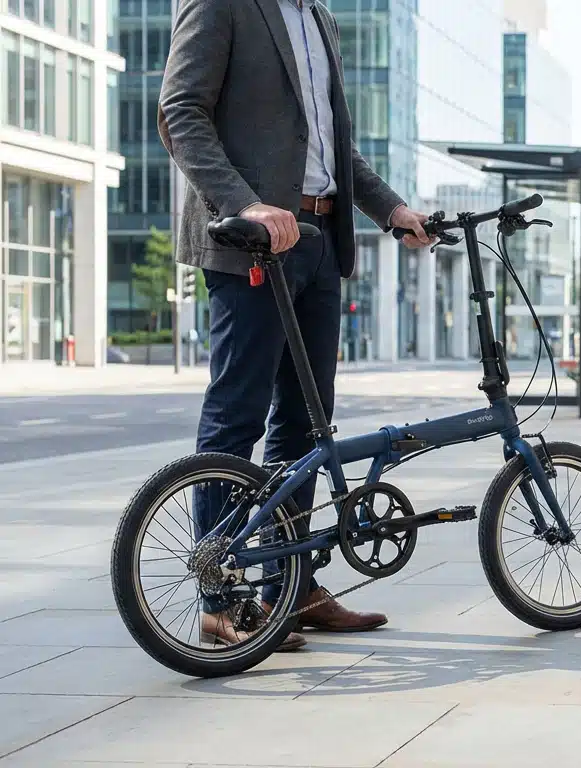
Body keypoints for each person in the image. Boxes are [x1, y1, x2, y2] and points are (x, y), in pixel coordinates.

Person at [159, 0, 435, 651]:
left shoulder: (320, 17)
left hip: (317, 240)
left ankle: (291, 583)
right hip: (250, 241)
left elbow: (336, 150)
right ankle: (220, 596)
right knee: (238, 417)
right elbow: (181, 114)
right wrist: (244, 204)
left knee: (307, 423)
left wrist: (391, 209)